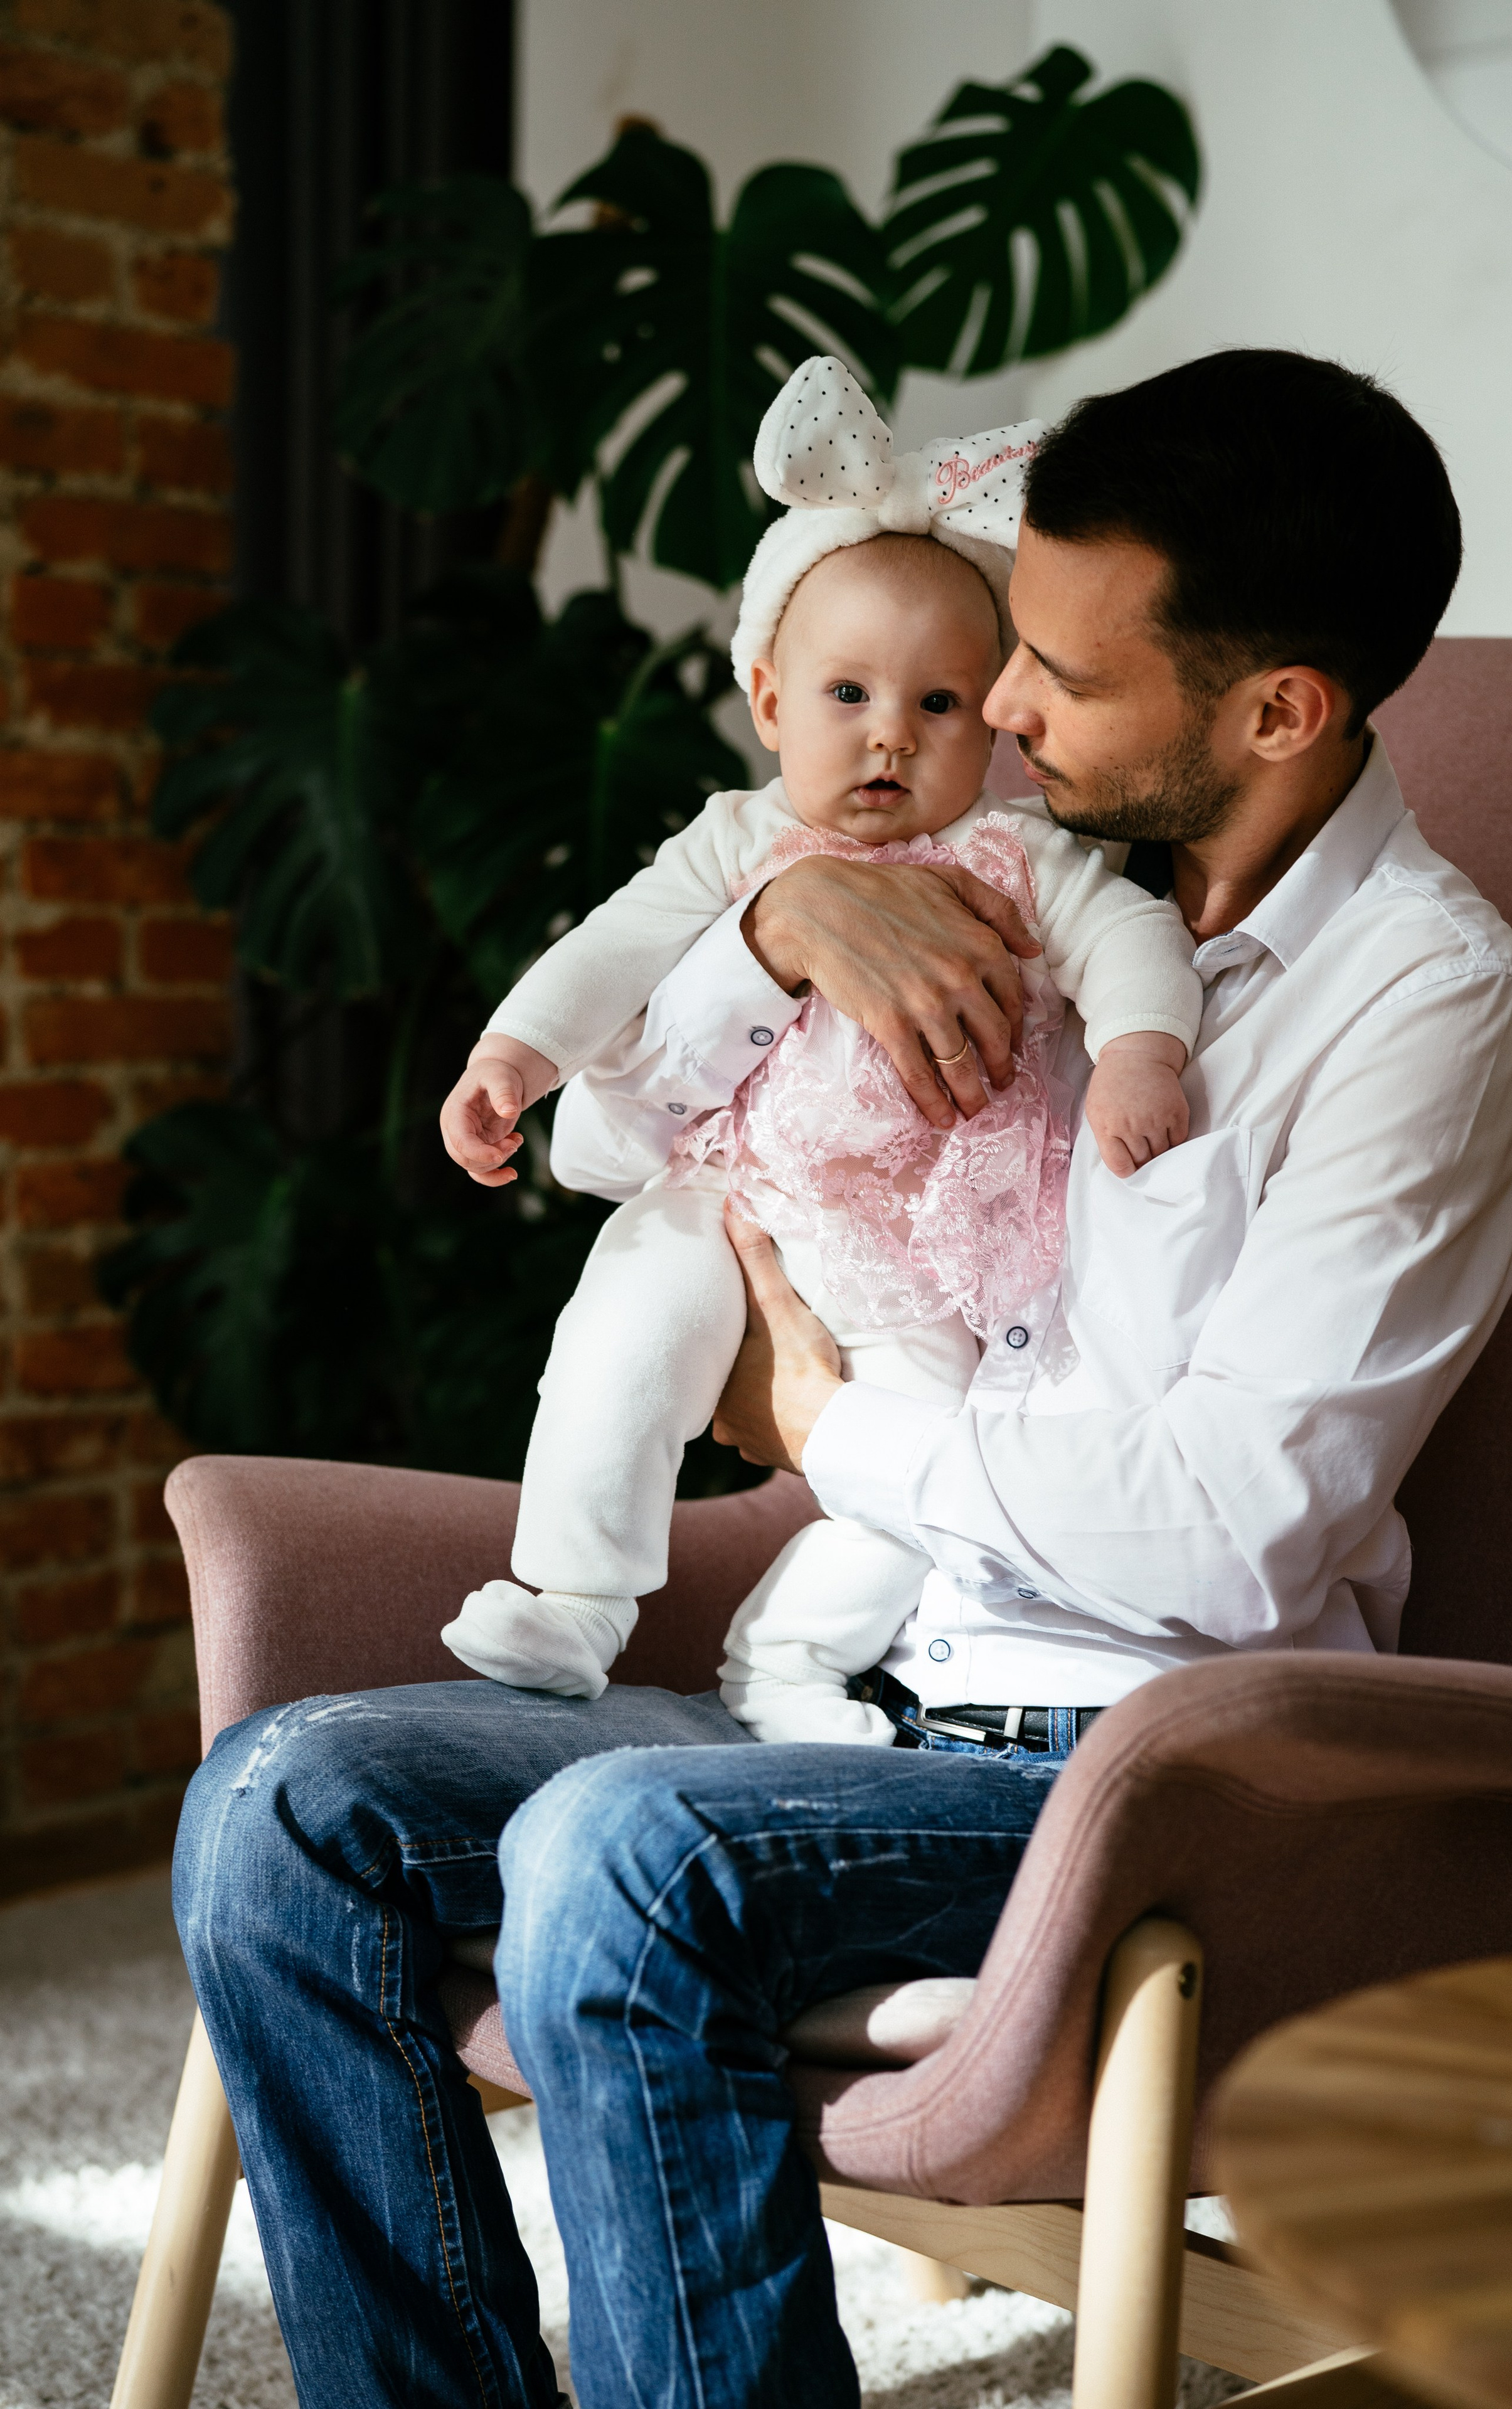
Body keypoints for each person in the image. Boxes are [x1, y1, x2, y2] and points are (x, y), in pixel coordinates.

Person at [172, 349, 1512, 2409]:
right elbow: (604, 1152)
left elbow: (1231, 1540)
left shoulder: (1423, 1012)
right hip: (869, 1686)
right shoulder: (986, 863)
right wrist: (784, 924)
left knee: (622, 1855)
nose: (992, 708)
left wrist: (829, 1429)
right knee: (285, 1806)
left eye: (1058, 679)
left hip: (1144, 1776)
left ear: (1278, 711)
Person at [438, 356, 1201, 1743]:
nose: (888, 741)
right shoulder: (735, 844)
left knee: (928, 1463)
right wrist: (516, 1053)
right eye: (847, 695)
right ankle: (570, 1593)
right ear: (769, 704)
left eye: (937, 706)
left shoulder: (1022, 857)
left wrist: (1145, 1049)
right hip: (731, 1202)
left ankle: (786, 1663)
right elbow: (609, 948)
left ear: (1003, 721)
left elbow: (1132, 946)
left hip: (923, 1243)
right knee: (621, 1333)